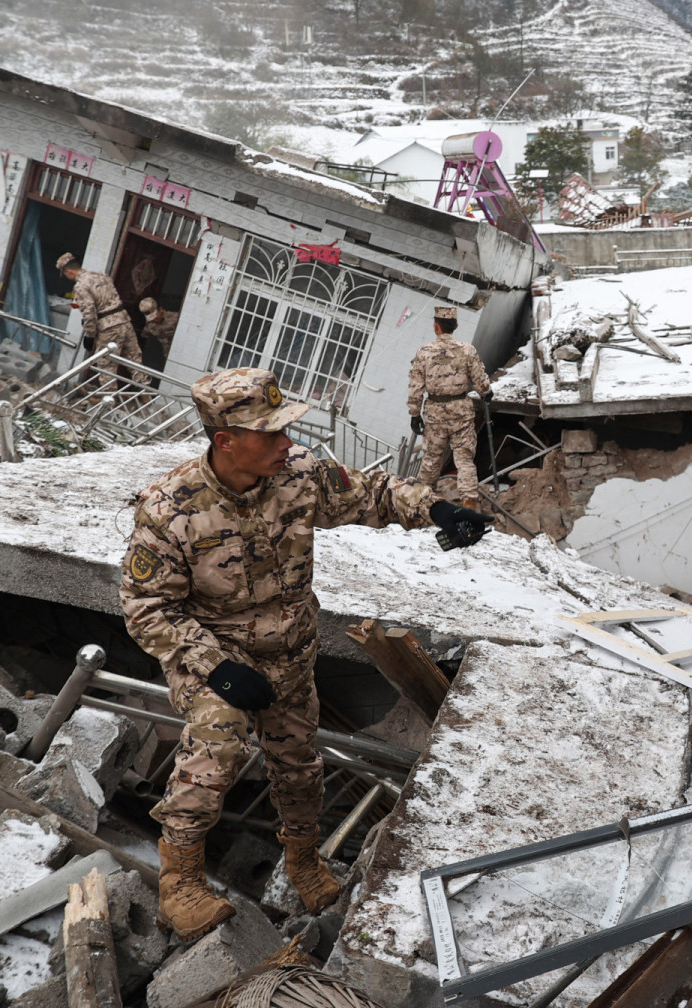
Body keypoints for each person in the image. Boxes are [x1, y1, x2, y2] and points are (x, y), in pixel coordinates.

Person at [118, 367, 493, 939]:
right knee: (216, 742)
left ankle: (301, 859)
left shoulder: (300, 476)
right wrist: (217, 667)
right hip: (215, 660)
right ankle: (180, 878)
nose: (286, 443)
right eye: (270, 434)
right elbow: (146, 608)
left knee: (298, 766)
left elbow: (374, 493)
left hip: (290, 654)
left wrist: (438, 511)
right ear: (226, 441)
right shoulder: (170, 509)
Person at [407, 305, 491, 507]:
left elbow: (415, 386)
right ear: (456, 326)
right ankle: (469, 502)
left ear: (436, 326)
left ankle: (422, 502)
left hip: (435, 413)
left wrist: (414, 413)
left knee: (431, 459)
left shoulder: (424, 352)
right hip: (461, 411)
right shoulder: (467, 350)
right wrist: (486, 393)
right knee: (464, 460)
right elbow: (481, 381)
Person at [59, 253, 143, 382]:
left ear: (69, 271)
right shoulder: (101, 276)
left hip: (108, 327)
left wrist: (90, 335)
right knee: (134, 358)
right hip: (124, 321)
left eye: (65, 274)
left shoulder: (81, 286)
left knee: (107, 365)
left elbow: (89, 311)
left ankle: (108, 398)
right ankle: (144, 392)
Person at [139, 297, 178, 371]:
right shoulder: (150, 325)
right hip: (169, 357)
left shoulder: (175, 318)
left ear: (161, 310)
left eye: (155, 317)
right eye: (151, 319)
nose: (154, 320)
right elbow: (144, 335)